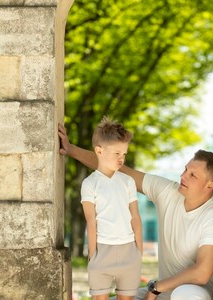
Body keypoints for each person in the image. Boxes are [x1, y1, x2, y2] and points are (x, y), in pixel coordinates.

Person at [59, 123, 213, 300]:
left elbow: (202, 273)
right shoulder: (168, 191)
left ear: (210, 185)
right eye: (186, 169)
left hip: (197, 294)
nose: (183, 176)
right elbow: (113, 168)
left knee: (184, 294)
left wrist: (156, 287)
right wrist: (70, 150)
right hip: (163, 292)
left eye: (193, 175)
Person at [78, 117, 143, 300]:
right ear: (99, 151)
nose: (121, 159)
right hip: (101, 252)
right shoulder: (89, 184)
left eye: (124, 154)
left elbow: (135, 217)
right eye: (117, 153)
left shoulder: (128, 182)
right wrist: (93, 255)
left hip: (129, 251)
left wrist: (139, 253)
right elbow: (91, 221)